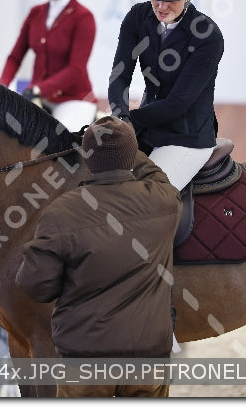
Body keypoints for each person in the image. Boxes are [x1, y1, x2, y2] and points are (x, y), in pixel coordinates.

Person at [15, 116, 181, 397]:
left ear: (87, 159)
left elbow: (35, 286)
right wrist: (128, 146)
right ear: (131, 156)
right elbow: (156, 175)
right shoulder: (165, 200)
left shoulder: (60, 211)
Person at [108, 0, 224, 192]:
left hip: (186, 139)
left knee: (142, 198)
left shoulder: (208, 37)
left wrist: (129, 120)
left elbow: (178, 103)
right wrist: (119, 115)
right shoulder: (137, 18)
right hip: (147, 130)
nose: (160, 6)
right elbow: (120, 75)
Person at [0, 0, 98, 133]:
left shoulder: (84, 17)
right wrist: (3, 85)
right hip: (37, 97)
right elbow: (15, 57)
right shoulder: (35, 13)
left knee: (58, 143)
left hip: (73, 99)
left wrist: (38, 89)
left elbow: (76, 69)